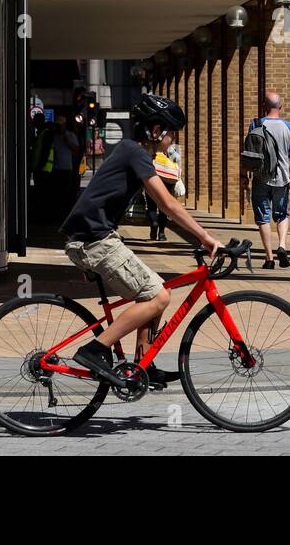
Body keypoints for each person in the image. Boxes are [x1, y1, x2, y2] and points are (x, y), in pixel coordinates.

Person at [61, 94, 221, 389]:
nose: (173, 139)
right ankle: (94, 350)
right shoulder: (134, 152)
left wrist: (195, 238)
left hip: (95, 237)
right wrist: (208, 238)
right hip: (94, 240)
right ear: (156, 129)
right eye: (171, 132)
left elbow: (168, 209)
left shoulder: (136, 153)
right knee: (158, 296)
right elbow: (167, 205)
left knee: (156, 290)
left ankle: (142, 365)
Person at [245, 92, 290, 270]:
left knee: (263, 218)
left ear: (264, 106)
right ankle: (282, 246)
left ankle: (269, 258)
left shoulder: (255, 124)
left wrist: (243, 176)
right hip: (282, 179)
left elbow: (248, 154)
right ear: (280, 107)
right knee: (282, 214)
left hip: (261, 177)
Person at [51, 113, 83, 218]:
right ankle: (58, 212)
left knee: (66, 192)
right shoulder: (54, 137)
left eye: (60, 125)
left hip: (66, 168)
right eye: (57, 125)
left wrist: (66, 141)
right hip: (55, 168)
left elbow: (77, 150)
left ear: (64, 125)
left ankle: (65, 213)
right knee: (56, 192)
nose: (59, 127)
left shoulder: (70, 136)